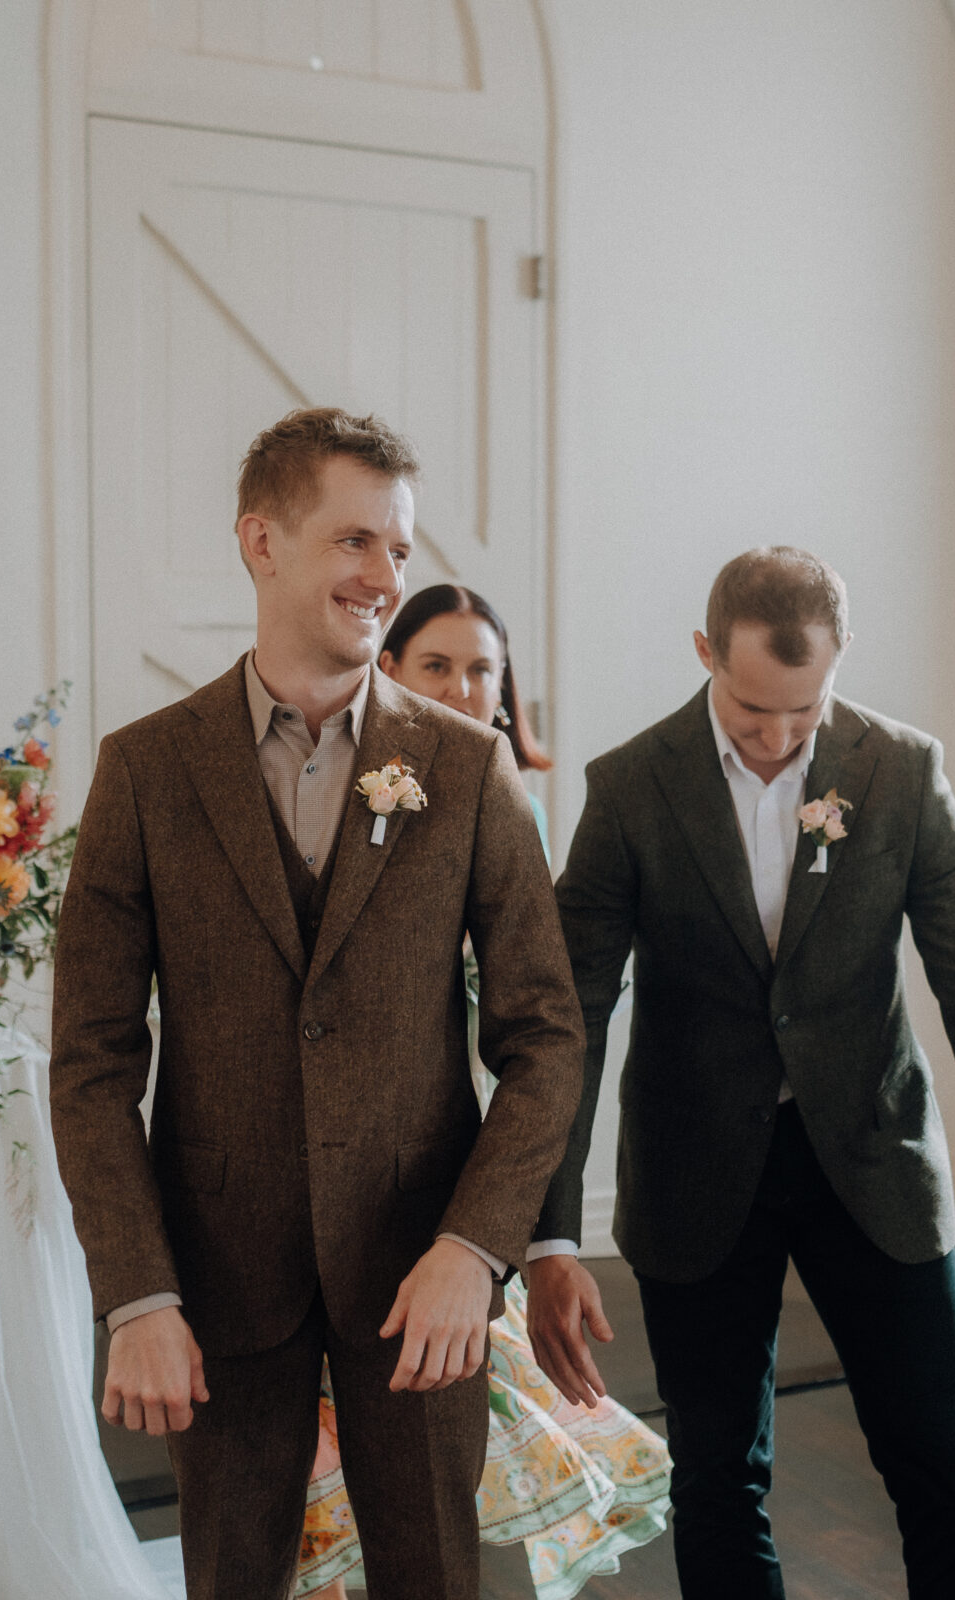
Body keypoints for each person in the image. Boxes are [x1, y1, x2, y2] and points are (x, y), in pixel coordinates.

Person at [49, 406, 585, 1600]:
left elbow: (545, 1035)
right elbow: (89, 1060)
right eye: (356, 542)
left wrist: (475, 1244)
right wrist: (137, 1289)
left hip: (422, 1273)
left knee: (436, 1582)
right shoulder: (145, 769)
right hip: (220, 1274)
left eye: (398, 547)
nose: (386, 576)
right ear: (262, 540)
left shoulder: (465, 765)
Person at [527, 547, 955, 1600]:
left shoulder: (902, 772)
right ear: (703, 654)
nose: (779, 741)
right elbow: (573, 1016)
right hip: (694, 1174)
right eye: (751, 712)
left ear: (841, 659)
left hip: (871, 1157)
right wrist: (550, 1234)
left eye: (804, 710)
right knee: (719, 1478)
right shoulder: (631, 787)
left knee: (942, 1462)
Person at [296, 582, 671, 1600]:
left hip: (451, 1171)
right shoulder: (332, 780)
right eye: (439, 665)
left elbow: (539, 1022)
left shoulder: (516, 809)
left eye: (484, 672)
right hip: (309, 1165)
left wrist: (529, 1229)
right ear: (389, 670)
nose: (466, 688)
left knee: (427, 1467)